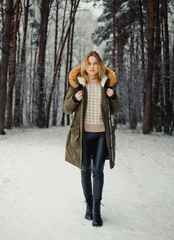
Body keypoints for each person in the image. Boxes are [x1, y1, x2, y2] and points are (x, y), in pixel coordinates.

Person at [62, 51, 120, 227]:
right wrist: (74, 98)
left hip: (101, 134)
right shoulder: (78, 84)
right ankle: (88, 206)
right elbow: (66, 109)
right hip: (83, 135)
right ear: (84, 66)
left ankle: (96, 210)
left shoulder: (106, 84)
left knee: (98, 171)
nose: (92, 66)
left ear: (100, 65)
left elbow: (116, 110)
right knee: (85, 170)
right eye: (89, 63)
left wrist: (112, 96)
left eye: (95, 63)